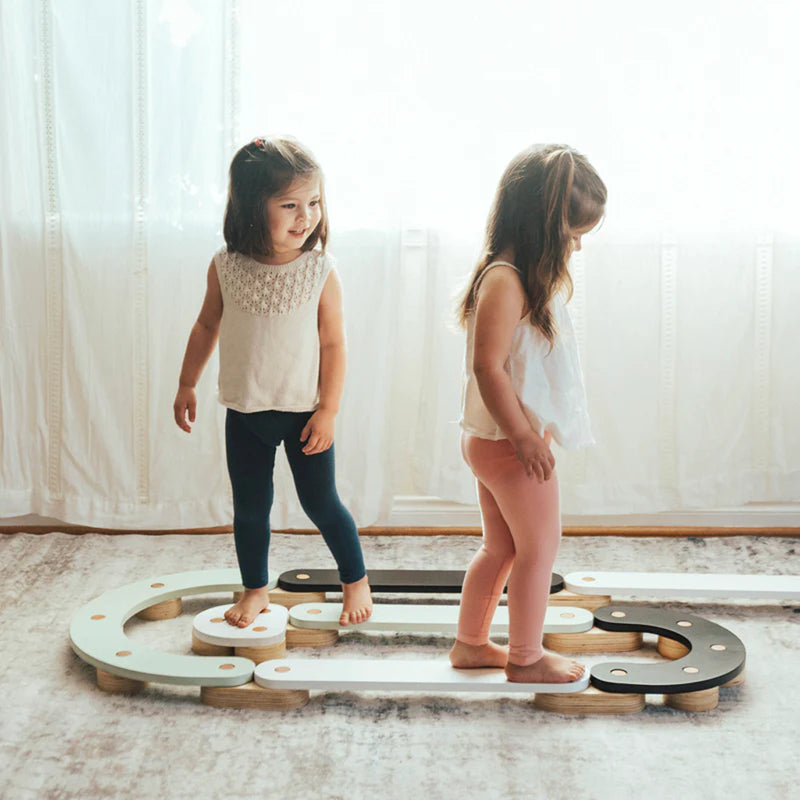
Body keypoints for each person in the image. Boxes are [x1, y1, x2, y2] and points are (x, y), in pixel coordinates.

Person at [173, 136, 372, 628]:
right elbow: (206, 326)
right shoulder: (226, 266)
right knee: (250, 508)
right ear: (250, 205)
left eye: (314, 202)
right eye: (289, 205)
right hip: (245, 412)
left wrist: (328, 410)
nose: (306, 217)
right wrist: (186, 383)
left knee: (321, 503)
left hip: (304, 412)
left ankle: (355, 580)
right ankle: (256, 590)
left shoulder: (319, 271)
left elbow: (333, 345)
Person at [450, 144, 606, 683]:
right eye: (573, 234)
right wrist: (522, 434)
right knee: (539, 550)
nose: (578, 246)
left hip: (492, 440)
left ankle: (471, 645)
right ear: (541, 224)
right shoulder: (505, 281)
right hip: (504, 443)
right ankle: (526, 658)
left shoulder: (515, 275)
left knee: (501, 547)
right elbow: (487, 367)